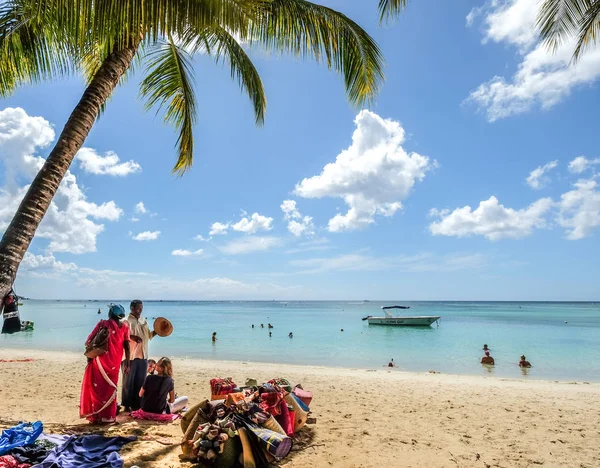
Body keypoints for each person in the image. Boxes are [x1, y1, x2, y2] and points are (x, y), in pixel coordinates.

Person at [80, 304, 131, 424]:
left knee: (98, 387)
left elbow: (89, 340)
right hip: (115, 362)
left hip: (101, 360)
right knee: (110, 387)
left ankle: (97, 416)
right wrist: (127, 363)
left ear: (111, 314)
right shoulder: (125, 327)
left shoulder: (103, 324)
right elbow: (127, 346)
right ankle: (108, 417)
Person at [121, 300, 156, 412]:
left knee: (141, 381)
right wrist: (132, 337)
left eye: (141, 308)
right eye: (138, 308)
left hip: (143, 355)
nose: (140, 310)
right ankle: (126, 405)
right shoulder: (125, 321)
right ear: (131, 308)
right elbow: (121, 336)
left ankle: (137, 404)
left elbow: (148, 336)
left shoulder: (143, 320)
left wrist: (158, 331)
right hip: (130, 356)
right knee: (128, 382)